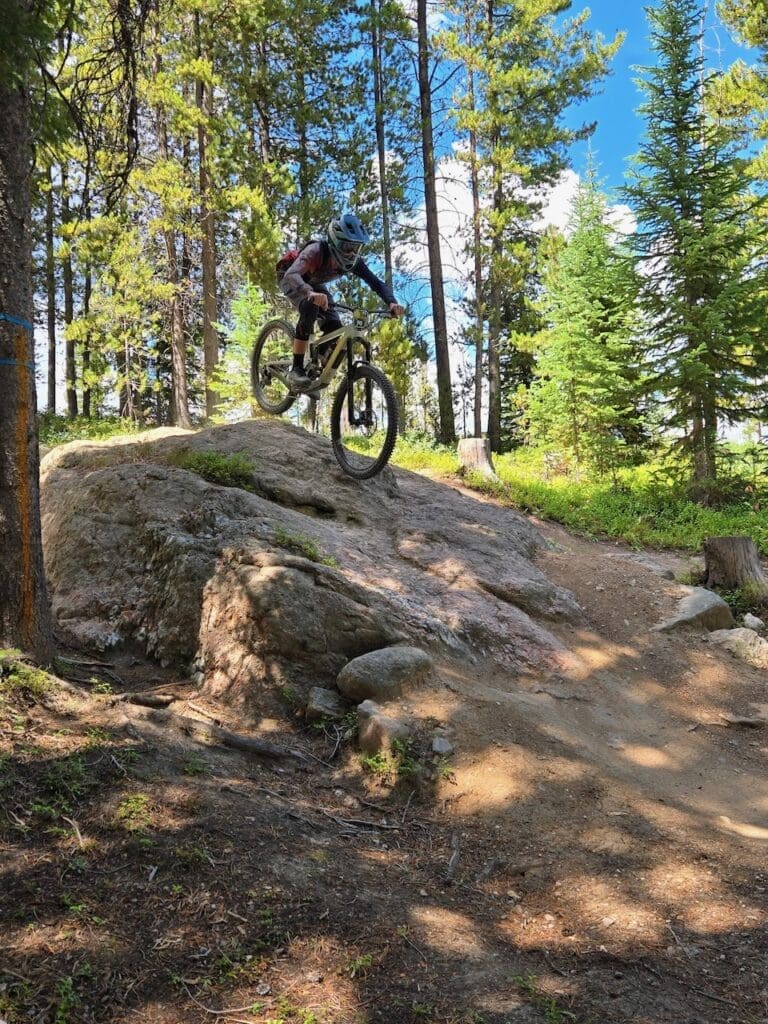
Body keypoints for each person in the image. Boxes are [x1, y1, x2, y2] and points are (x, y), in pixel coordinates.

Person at [279, 212, 405, 390]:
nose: (351, 252)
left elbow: (375, 283)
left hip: (313, 284)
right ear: (334, 242)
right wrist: (310, 293)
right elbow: (292, 274)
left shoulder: (354, 262)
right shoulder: (315, 251)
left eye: (356, 248)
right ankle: (297, 369)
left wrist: (391, 302)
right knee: (310, 306)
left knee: (335, 328)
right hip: (290, 276)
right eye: (347, 246)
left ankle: (316, 366)